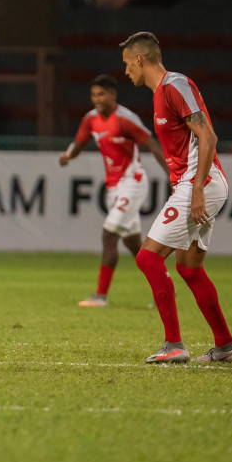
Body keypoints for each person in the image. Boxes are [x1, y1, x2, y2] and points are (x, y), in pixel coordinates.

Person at [120, 32, 232, 365]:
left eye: (128, 64)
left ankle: (174, 344)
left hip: (200, 184)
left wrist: (197, 188)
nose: (126, 70)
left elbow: (208, 136)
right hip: (193, 184)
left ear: (140, 60)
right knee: (189, 269)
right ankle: (226, 346)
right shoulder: (163, 92)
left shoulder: (174, 86)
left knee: (147, 258)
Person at [60, 73, 167, 307]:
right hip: (113, 187)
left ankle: (100, 296)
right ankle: (164, 288)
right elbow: (79, 143)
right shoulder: (91, 119)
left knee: (109, 233)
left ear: (112, 95)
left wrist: (171, 174)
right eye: (93, 95)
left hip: (133, 183)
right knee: (134, 245)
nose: (96, 99)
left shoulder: (125, 118)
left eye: (101, 94)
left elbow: (151, 143)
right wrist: (68, 155)